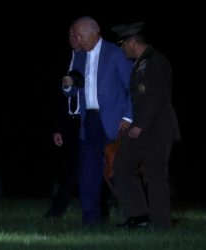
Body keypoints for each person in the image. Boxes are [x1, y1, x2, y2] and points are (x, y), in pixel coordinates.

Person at [63, 16, 133, 225]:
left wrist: (128, 116)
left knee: (118, 171)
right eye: (74, 35)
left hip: (114, 122)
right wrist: (68, 86)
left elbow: (134, 87)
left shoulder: (115, 53)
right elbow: (73, 89)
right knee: (88, 172)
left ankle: (134, 216)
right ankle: (91, 219)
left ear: (95, 32)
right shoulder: (79, 56)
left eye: (80, 35)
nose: (76, 39)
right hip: (90, 121)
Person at [111, 22, 181, 229]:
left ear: (132, 42)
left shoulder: (156, 61)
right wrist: (130, 121)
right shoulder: (141, 63)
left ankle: (161, 224)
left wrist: (140, 125)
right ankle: (138, 217)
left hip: (157, 130)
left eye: (123, 44)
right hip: (138, 130)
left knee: (156, 176)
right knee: (122, 168)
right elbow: (139, 99)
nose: (122, 48)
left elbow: (156, 95)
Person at [43, 28, 83, 219]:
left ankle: (56, 211)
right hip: (68, 122)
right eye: (70, 35)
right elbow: (56, 98)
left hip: (87, 120)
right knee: (74, 166)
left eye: (77, 34)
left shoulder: (91, 60)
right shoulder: (63, 61)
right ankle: (100, 211)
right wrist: (57, 128)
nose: (73, 38)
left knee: (77, 167)